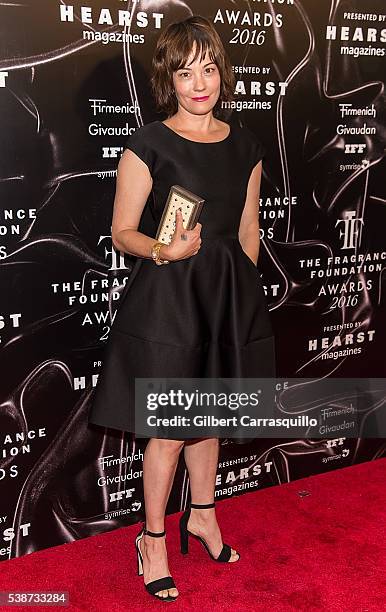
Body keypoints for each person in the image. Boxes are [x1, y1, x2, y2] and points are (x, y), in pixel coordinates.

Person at [88, 15, 275, 602]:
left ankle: (203, 516)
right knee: (168, 431)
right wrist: (164, 249)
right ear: (169, 77)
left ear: (223, 72)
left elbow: (249, 231)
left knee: (210, 421)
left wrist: (239, 300)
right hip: (168, 304)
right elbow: (121, 232)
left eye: (210, 67)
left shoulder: (245, 145)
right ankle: (152, 539)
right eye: (186, 71)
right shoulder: (148, 144)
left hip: (224, 298)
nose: (201, 82)